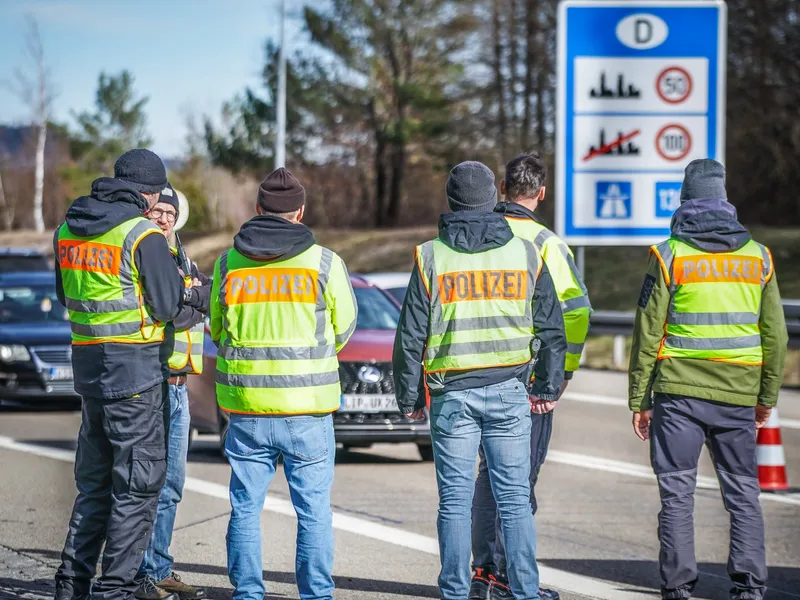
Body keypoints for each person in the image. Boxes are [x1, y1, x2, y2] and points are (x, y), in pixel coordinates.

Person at [392, 161, 567, 600]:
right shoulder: (528, 252)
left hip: (451, 395)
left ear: (450, 202)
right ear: (495, 198)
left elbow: (411, 334)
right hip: (510, 391)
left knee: (454, 501)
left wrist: (410, 395)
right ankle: (525, 591)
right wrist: (546, 388)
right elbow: (552, 328)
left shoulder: (431, 255)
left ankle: (455, 591)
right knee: (513, 500)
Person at [628, 159, 788, 600]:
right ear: (724, 199)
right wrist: (766, 396)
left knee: (677, 492)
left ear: (685, 200)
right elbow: (775, 333)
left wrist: (640, 399)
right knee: (742, 492)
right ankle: (750, 586)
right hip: (738, 392)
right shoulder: (759, 258)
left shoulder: (669, 254)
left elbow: (647, 332)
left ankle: (678, 587)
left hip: (678, 394)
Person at [53, 149, 201, 600]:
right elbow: (169, 306)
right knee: (137, 489)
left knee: (95, 487)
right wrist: (200, 298)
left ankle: (72, 585)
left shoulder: (67, 229)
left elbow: (66, 296)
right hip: (135, 375)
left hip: (90, 374)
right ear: (151, 192)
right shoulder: (141, 235)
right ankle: (114, 590)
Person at [209, 167, 358, 600]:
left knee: (245, 509)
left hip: (246, 408)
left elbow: (217, 330)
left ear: (258, 211)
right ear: (300, 213)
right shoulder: (324, 262)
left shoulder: (227, 264)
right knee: (313, 512)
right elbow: (345, 327)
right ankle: (316, 594)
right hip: (307, 409)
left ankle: (248, 593)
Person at [470, 152, 592, 600]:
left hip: (473, 374)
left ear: (502, 190)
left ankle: (483, 573)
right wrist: (562, 372)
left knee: (487, 475)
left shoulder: (475, 234)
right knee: (516, 479)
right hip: (527, 379)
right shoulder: (545, 242)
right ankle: (504, 577)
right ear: (541, 193)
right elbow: (576, 311)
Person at [135, 184, 211, 600]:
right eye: (158, 210)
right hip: (153, 382)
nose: (163, 217)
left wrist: (194, 298)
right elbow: (172, 310)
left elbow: (202, 301)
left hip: (180, 386)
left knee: (173, 485)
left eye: (170, 212)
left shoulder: (183, 258)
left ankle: (159, 567)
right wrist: (194, 298)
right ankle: (138, 571)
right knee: (147, 482)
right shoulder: (147, 254)